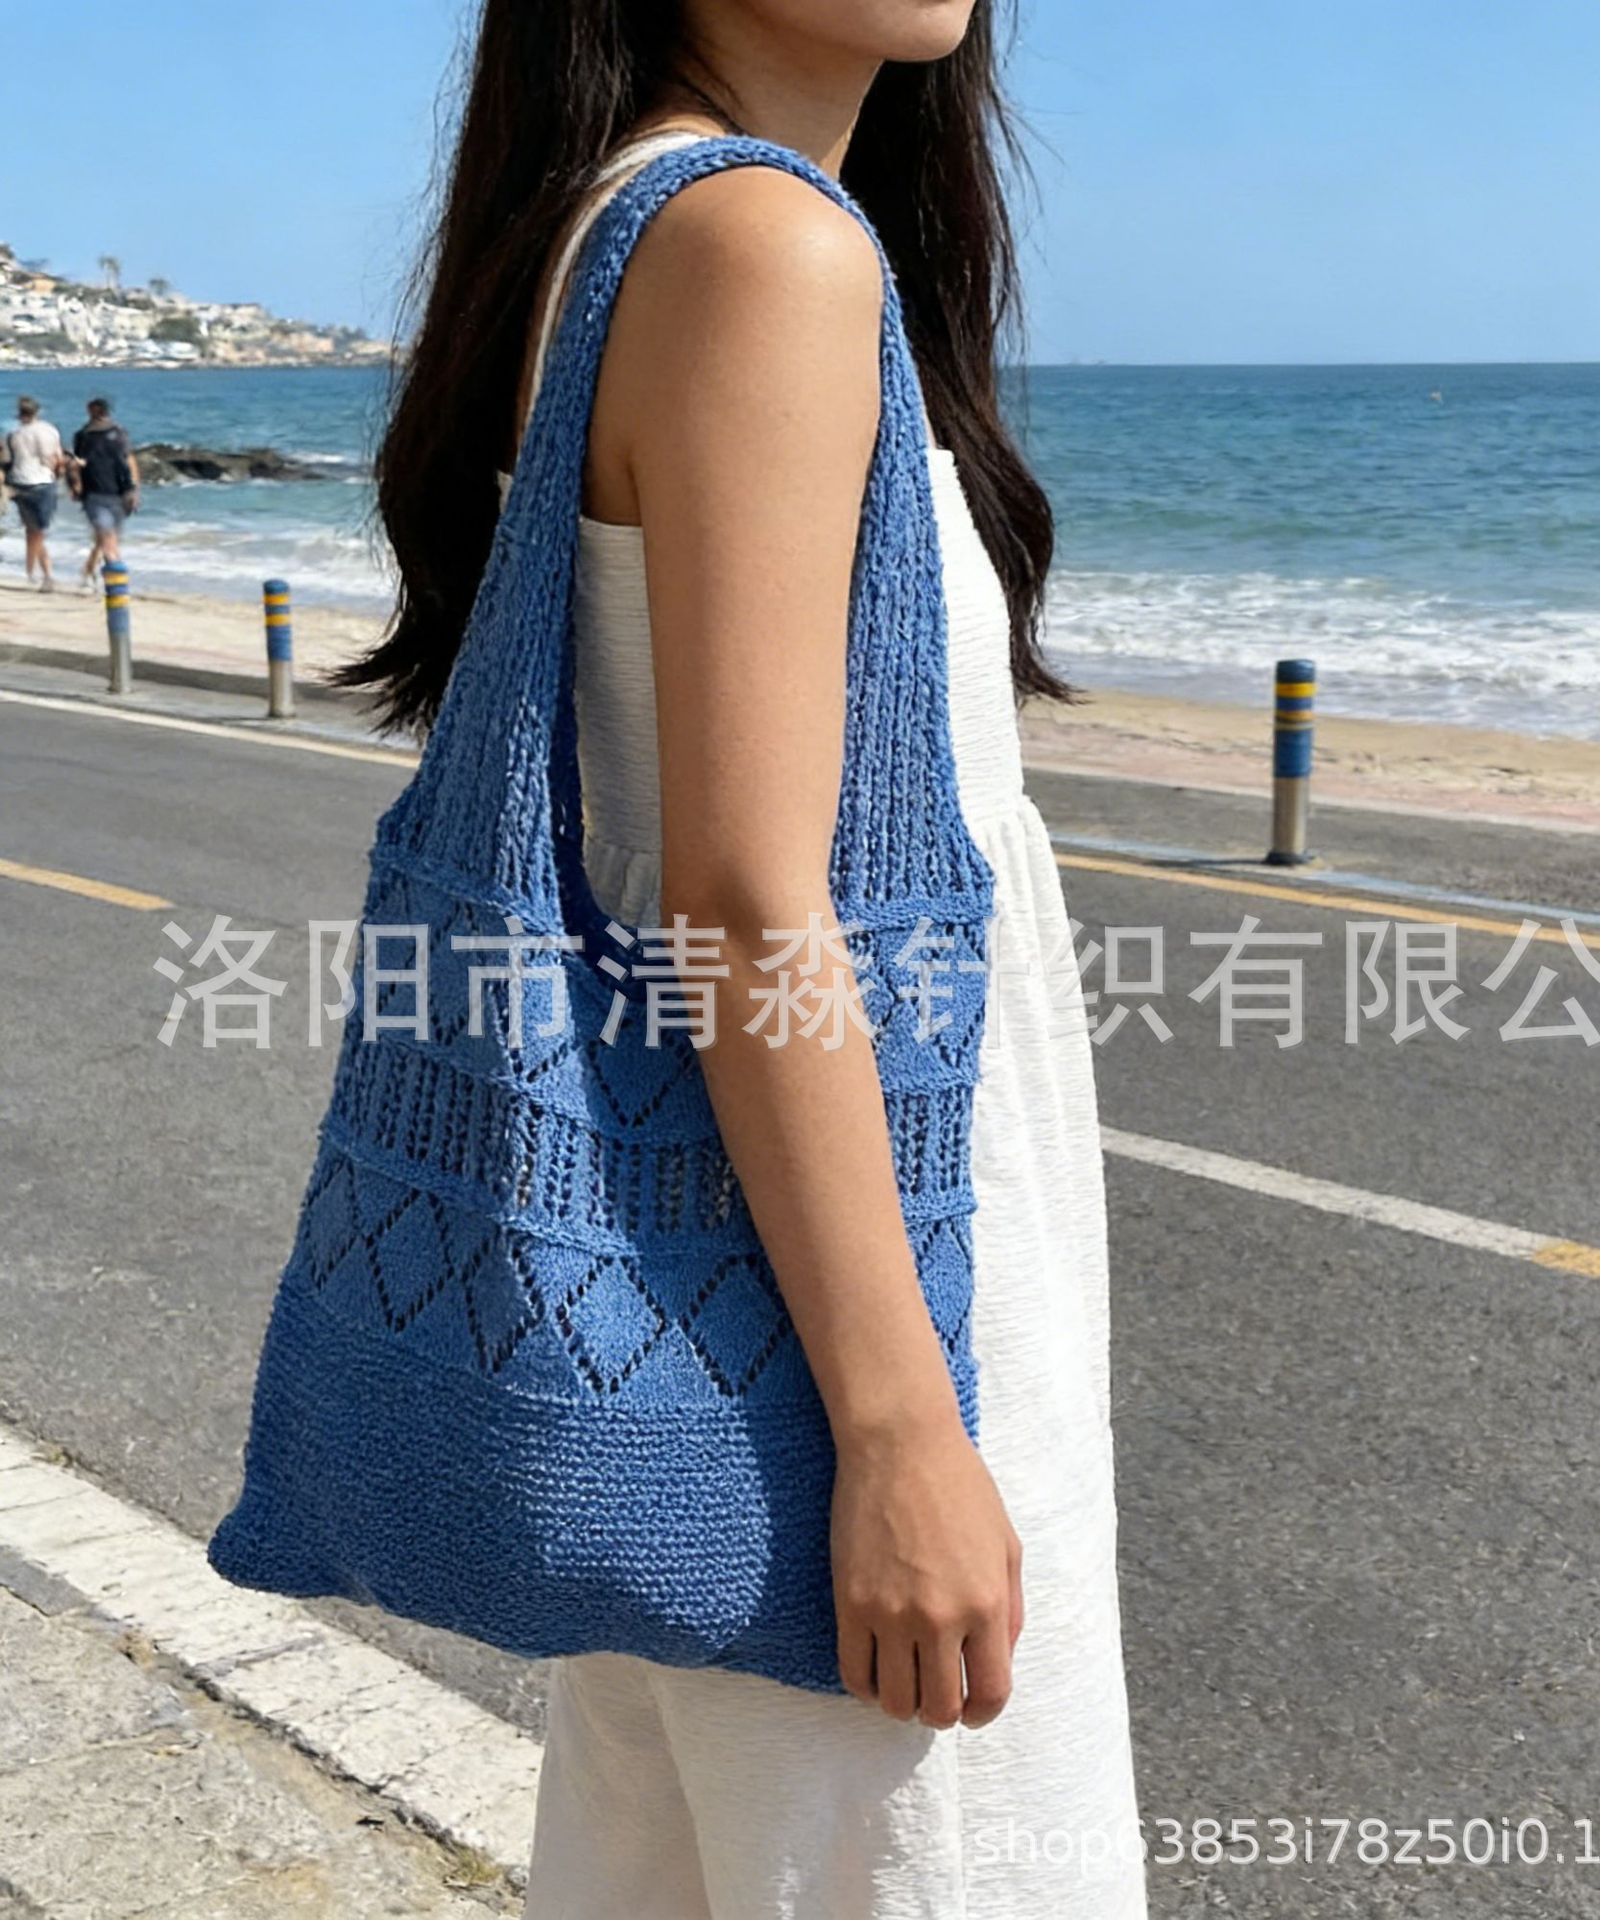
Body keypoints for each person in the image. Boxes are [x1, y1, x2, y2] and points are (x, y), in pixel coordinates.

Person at [333, 4, 1146, 1915]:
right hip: (857, 1283)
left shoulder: (632, 221)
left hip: (685, 1272)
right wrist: (900, 1428)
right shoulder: (759, 246)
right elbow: (750, 898)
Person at [69, 396, 139, 590]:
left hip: (103, 493)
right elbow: (129, 461)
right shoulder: (118, 433)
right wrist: (134, 489)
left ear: (93, 411)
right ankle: (112, 585)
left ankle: (95, 575)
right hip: (113, 493)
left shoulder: (84, 435)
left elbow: (76, 465)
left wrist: (75, 486)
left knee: (107, 539)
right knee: (108, 539)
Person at [4, 396, 65, 591]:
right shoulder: (50, 430)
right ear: (38, 411)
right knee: (38, 532)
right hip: (43, 482)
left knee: (33, 531)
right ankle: (42, 573)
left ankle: (35, 572)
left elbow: (7, 461)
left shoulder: (14, 434)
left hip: (20, 482)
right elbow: (57, 459)